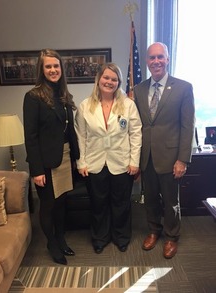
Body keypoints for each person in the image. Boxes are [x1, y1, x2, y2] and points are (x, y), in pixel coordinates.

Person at [134, 42, 195, 259]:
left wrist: (183, 160)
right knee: (149, 198)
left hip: (171, 158)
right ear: (147, 62)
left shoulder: (183, 87)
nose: (156, 61)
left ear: (167, 59)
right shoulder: (138, 90)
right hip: (146, 157)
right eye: (152, 58)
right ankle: (154, 230)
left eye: (160, 57)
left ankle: (171, 236)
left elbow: (188, 126)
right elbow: (137, 125)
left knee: (171, 201)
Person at [75, 62, 142, 254]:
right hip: (94, 163)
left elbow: (135, 133)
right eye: (106, 78)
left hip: (122, 163)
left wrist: (134, 161)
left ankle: (121, 237)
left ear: (118, 82)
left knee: (121, 203)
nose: (109, 82)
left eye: (114, 79)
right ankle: (99, 238)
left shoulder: (128, 105)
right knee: (98, 203)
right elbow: (80, 136)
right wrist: (82, 162)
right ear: (98, 79)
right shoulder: (85, 106)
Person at [23, 49, 80, 265]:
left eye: (56, 66)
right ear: (42, 69)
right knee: (48, 205)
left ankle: (60, 238)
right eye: (48, 66)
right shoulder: (33, 97)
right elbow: (31, 136)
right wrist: (36, 171)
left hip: (65, 158)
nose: (53, 70)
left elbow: (69, 131)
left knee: (62, 202)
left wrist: (76, 158)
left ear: (61, 69)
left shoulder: (63, 95)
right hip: (45, 162)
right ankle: (52, 243)